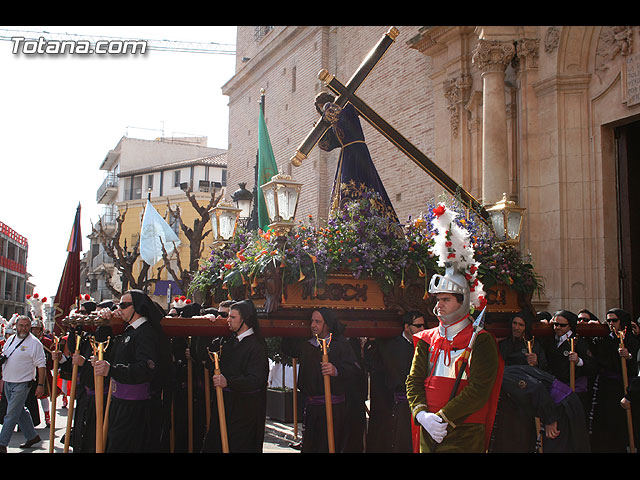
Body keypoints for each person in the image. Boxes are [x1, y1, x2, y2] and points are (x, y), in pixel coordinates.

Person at [406, 268, 502, 453]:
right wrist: (422, 414)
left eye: (446, 299)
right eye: (438, 299)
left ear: (463, 301)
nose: (440, 304)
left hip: (465, 432)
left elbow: (479, 390)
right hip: (429, 428)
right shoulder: (426, 339)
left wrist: (443, 418)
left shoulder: (481, 339)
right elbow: (413, 381)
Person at [93, 289, 172, 453]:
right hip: (119, 401)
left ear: (137, 307)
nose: (119, 308)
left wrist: (112, 370)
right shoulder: (129, 331)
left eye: (123, 305)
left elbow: (146, 368)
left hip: (135, 407)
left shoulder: (146, 333)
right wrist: (105, 323)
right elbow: (108, 350)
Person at [280, 307, 361, 453]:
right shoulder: (308, 345)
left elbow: (354, 370)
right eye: (311, 321)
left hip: (334, 409)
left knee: (329, 446)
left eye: (318, 321)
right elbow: (288, 348)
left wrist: (336, 371)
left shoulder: (340, 344)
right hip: (312, 407)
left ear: (328, 324)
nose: (313, 325)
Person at [315, 91, 398, 222]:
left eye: (322, 107)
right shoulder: (335, 122)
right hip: (346, 155)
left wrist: (327, 109)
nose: (323, 112)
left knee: (363, 185)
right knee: (345, 192)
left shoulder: (347, 108)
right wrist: (320, 133)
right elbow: (329, 144)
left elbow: (339, 116)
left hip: (357, 152)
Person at [201, 300, 269, 453]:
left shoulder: (256, 346)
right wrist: (211, 325)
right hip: (225, 406)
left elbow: (256, 380)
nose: (228, 321)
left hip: (244, 412)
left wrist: (229, 382)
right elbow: (205, 357)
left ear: (244, 319)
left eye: (232, 317)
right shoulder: (229, 341)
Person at [490, 365, 590, 453]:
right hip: (552, 405)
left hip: (560, 405)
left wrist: (550, 420)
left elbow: (537, 388)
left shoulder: (504, 376)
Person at [366, 311, 425, 452]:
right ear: (406, 327)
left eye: (424, 325)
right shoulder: (389, 346)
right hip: (397, 406)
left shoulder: (424, 345)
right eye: (418, 326)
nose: (423, 329)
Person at [589, 308, 639, 452]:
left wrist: (628, 356)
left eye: (614, 320)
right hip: (608, 387)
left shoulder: (631, 340)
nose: (611, 324)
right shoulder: (604, 340)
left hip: (627, 385)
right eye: (608, 320)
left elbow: (636, 362)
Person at [0, 315, 47, 452]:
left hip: (23, 383)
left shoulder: (35, 343)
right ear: (16, 326)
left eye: (27, 326)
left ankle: (2, 444)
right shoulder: (10, 340)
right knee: (19, 411)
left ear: (30, 327)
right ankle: (32, 436)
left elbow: (41, 365)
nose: (23, 328)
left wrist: (41, 385)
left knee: (11, 414)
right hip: (8, 381)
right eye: (21, 325)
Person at [543, 310, 596, 426]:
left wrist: (578, 361)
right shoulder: (551, 341)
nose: (558, 328)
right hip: (556, 388)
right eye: (555, 324)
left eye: (562, 325)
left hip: (573, 389)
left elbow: (592, 366)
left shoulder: (579, 342)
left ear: (570, 325)